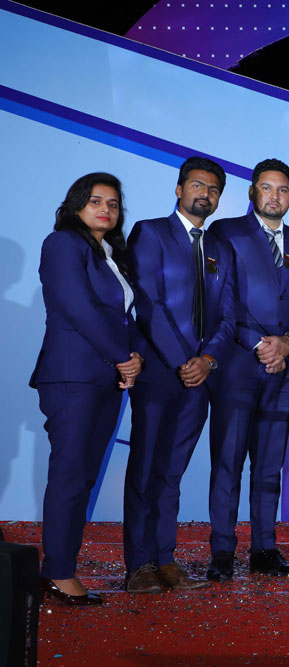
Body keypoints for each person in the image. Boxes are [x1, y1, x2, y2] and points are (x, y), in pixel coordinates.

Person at [30, 173, 143, 605]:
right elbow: (79, 308)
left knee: (85, 478)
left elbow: (125, 317)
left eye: (113, 204)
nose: (106, 209)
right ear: (76, 204)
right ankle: (58, 572)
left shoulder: (112, 254)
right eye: (96, 201)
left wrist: (136, 356)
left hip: (107, 378)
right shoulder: (62, 244)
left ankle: (60, 567)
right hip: (72, 376)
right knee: (70, 475)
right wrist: (122, 356)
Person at [124, 156, 236, 593]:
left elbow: (227, 315)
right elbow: (148, 304)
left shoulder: (219, 248)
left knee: (172, 472)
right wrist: (181, 360)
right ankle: (139, 565)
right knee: (145, 468)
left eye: (213, 189)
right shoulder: (151, 233)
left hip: (200, 378)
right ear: (179, 189)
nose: (205, 194)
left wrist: (207, 361)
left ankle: (165, 559)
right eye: (197, 185)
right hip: (159, 372)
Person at [204, 159, 289, 581]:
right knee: (228, 462)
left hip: (282, 369)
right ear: (253, 192)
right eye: (266, 188)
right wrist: (259, 343)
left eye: (282, 189)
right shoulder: (226, 232)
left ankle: (264, 549)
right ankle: (222, 550)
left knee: (270, 466)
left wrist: (288, 342)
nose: (274, 196)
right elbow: (221, 299)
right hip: (236, 364)